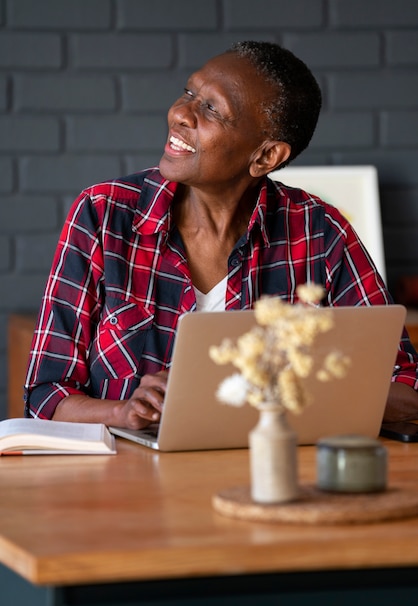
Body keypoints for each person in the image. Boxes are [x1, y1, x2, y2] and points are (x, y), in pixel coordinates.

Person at [24, 40, 418, 428]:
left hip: (266, 476)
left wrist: (274, 390)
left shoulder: (320, 232)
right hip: (129, 481)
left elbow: (405, 389)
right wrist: (121, 413)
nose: (180, 113)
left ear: (265, 156)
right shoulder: (104, 213)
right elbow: (46, 394)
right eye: (189, 93)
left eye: (211, 108)